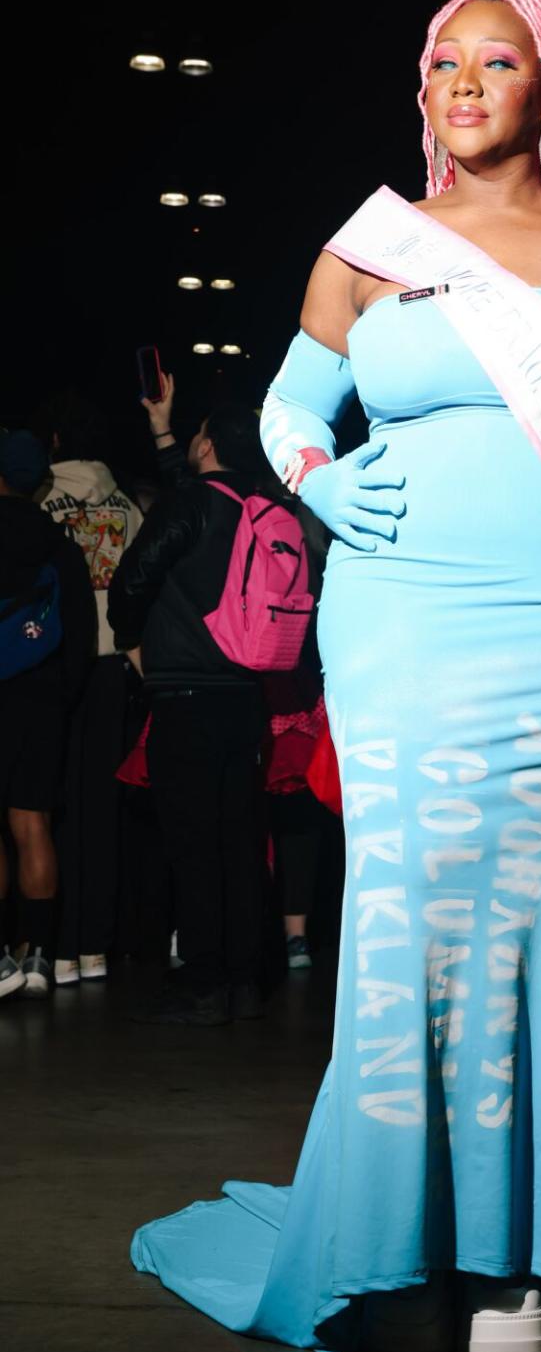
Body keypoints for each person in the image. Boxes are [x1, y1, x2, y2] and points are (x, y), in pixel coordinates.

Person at [129, 0, 541, 1352]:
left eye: (496, 61)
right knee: (402, 929)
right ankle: (385, 1252)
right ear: (421, 91)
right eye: (441, 63)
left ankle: (520, 1263)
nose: (463, 83)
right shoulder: (371, 248)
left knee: (525, 930)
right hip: (397, 624)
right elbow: (291, 408)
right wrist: (323, 486)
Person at [108, 405, 283, 1025]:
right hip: (245, 697)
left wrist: (134, 648)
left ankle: (204, 981)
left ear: (207, 445)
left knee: (192, 843)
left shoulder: (191, 505)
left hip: (184, 697)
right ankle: (242, 980)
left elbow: (133, 578)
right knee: (239, 841)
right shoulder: (263, 508)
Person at [33, 401, 143, 986]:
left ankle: (56, 946)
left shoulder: (36, 501)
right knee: (102, 807)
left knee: (48, 807)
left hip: (50, 662)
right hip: (112, 667)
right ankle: (97, 945)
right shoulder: (125, 504)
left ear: (54, 439)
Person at [0, 431, 96, 1000]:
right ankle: (37, 956)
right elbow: (80, 629)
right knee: (31, 821)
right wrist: (62, 693)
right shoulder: (58, 542)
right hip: (42, 697)